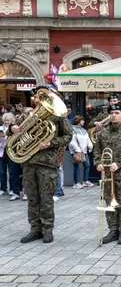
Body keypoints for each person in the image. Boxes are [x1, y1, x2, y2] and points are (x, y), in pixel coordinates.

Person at [10, 88, 73, 243]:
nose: (38, 100)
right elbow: (13, 133)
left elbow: (68, 136)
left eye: (42, 97)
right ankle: (34, 229)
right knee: (32, 198)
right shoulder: (26, 115)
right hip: (28, 162)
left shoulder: (58, 116)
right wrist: (13, 129)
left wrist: (51, 143)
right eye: (37, 97)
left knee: (46, 198)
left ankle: (47, 229)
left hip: (46, 163)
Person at [94, 102, 121, 245]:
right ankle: (113, 230)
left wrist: (119, 163)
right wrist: (98, 163)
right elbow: (97, 151)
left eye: (117, 113)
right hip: (107, 174)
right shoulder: (103, 133)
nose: (114, 115)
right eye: (112, 113)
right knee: (109, 201)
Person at [69, 115, 93, 189]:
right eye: (82, 120)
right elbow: (72, 141)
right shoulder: (73, 130)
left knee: (87, 165)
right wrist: (77, 149)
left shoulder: (84, 130)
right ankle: (76, 183)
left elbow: (87, 138)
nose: (84, 121)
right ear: (78, 121)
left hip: (84, 151)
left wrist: (90, 145)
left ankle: (85, 181)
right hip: (76, 151)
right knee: (76, 167)